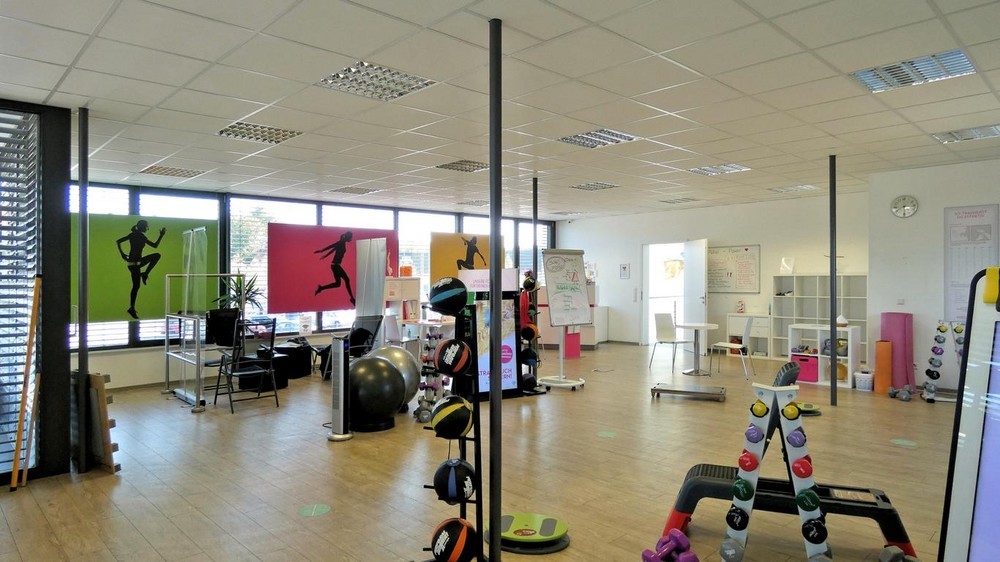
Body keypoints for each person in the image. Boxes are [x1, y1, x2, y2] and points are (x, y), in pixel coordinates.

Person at [116, 219, 165, 319]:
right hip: (134, 264)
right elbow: (118, 241)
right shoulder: (136, 235)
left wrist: (161, 235)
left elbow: (155, 246)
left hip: (136, 263)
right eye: (146, 226)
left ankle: (145, 274)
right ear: (142, 226)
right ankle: (131, 308)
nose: (147, 228)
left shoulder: (138, 235)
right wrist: (122, 254)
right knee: (136, 286)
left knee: (156, 256)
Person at [315, 231, 356, 305]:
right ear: (347, 237)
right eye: (350, 237)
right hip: (336, 266)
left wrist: (325, 255)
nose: (351, 239)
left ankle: (321, 288)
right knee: (346, 280)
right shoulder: (341, 243)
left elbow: (333, 249)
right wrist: (322, 251)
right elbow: (332, 246)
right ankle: (352, 298)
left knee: (338, 284)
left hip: (335, 266)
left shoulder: (342, 243)